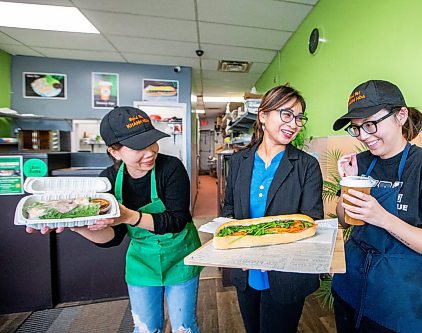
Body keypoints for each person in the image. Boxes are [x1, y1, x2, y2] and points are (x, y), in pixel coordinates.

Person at [29, 106, 202, 333]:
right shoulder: (107, 180)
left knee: (184, 327)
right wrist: (76, 224)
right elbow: (112, 237)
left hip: (181, 256)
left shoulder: (170, 167)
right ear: (115, 151)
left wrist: (128, 216)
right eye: (138, 146)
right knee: (145, 328)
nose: (150, 151)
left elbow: (176, 220)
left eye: (152, 141)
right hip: (142, 262)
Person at [330, 80, 422, 333]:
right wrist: (347, 184)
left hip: (396, 302)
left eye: (370, 124)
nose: (364, 136)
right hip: (348, 289)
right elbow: (344, 220)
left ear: (400, 115)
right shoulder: (361, 161)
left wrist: (383, 217)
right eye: (356, 128)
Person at [221, 85, 324, 333]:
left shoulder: (306, 166)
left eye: (299, 118)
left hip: (285, 274)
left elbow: (310, 223)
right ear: (263, 115)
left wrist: (274, 255)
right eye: (286, 114)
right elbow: (229, 211)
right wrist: (237, 250)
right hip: (246, 271)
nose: (294, 123)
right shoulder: (238, 162)